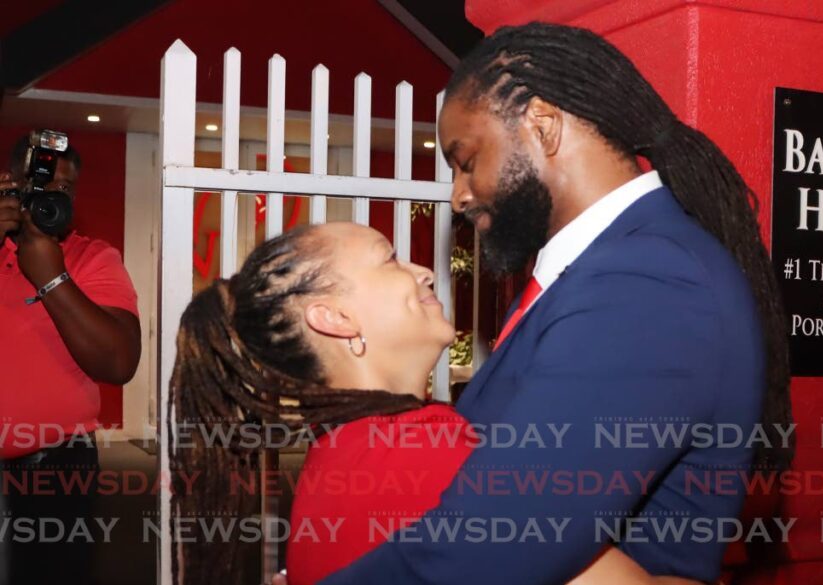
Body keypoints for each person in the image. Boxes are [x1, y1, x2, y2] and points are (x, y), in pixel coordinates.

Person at [307, 21, 791, 585]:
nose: (458, 194)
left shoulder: (648, 282)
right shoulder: (593, 274)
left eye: (467, 160)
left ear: (542, 125)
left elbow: (493, 546)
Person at [169, 222, 700, 585]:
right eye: (389, 258)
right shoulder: (420, 451)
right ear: (335, 319)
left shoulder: (347, 450)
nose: (422, 270)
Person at [0, 134, 141, 584]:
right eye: (38, 183)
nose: (50, 196)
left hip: (56, 469)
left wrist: (51, 277)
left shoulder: (92, 258)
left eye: (63, 188)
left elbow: (118, 364)